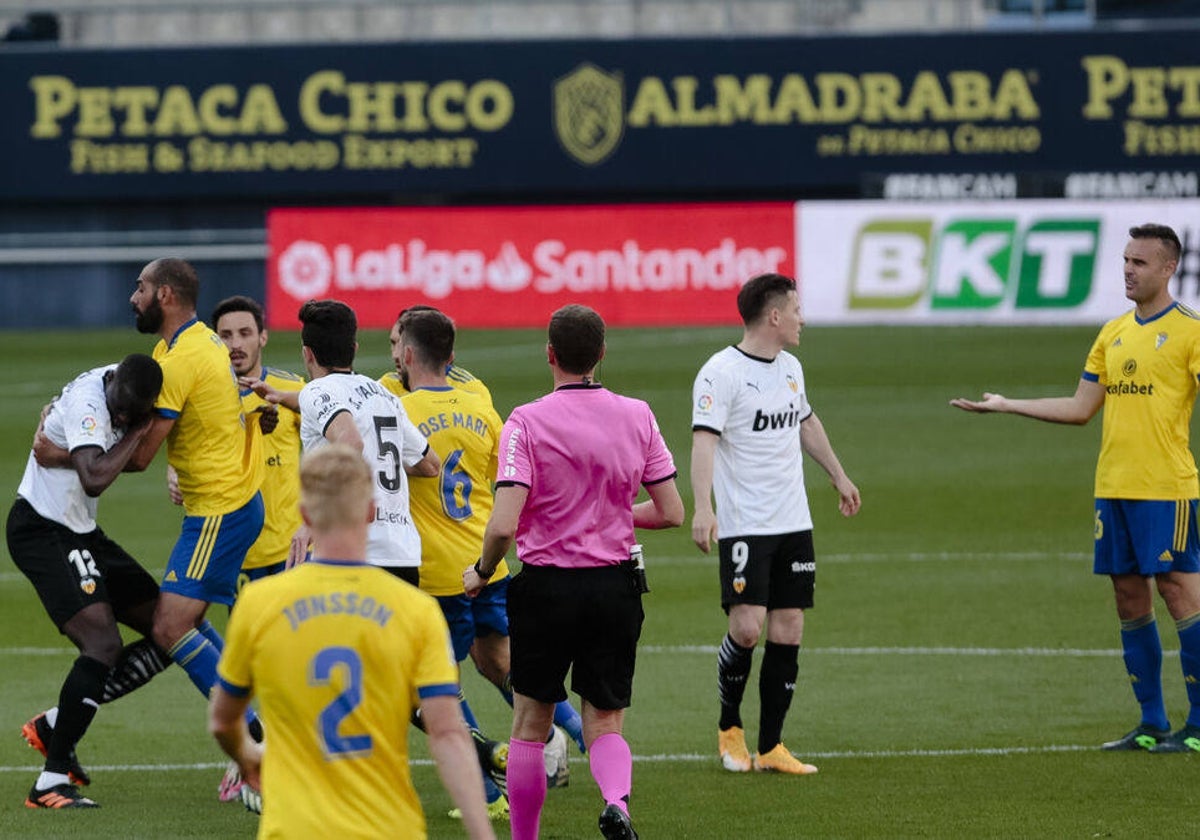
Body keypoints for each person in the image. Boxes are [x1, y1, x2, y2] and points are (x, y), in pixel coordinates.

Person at [952, 222, 1200, 753]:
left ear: (1168, 268)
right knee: (1128, 597)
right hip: (1114, 487)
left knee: (1179, 594)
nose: (1128, 270)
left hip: (1167, 488)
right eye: (1126, 260)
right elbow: (1081, 408)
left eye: (1140, 262)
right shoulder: (1112, 332)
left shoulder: (1190, 331)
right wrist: (1008, 405)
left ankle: (1199, 726)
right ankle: (1153, 725)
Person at [463, 304, 684, 840]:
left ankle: (524, 837)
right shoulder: (638, 414)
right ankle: (616, 805)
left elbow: (503, 525)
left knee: (530, 725)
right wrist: (611, 512)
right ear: (601, 354)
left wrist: (481, 570)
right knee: (605, 719)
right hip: (615, 585)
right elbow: (673, 512)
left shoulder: (526, 421)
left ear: (549, 354)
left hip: (547, 588)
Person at [208, 444, 495, 839]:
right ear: (371, 511)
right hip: (389, 828)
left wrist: (248, 756)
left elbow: (223, 720)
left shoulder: (260, 604)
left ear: (306, 516)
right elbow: (447, 733)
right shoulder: (415, 610)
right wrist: (482, 833)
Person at [395, 307, 583, 820]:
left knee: (435, 686)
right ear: (452, 356)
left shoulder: (396, 407)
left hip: (436, 573)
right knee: (497, 660)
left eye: (396, 344)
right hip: (487, 562)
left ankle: (488, 791)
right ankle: (578, 735)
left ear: (408, 354)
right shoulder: (482, 405)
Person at [691, 272, 861, 776]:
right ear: (774, 316)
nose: (803, 319)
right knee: (747, 628)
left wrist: (838, 474)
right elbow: (704, 442)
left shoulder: (791, 368)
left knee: (788, 627)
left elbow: (806, 422)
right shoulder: (720, 373)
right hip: (745, 524)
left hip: (793, 521)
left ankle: (772, 746)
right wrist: (703, 507)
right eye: (797, 309)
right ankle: (730, 730)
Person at [8, 354, 163, 808]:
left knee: (170, 628)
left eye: (128, 415)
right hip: (43, 528)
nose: (119, 418)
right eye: (118, 410)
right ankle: (49, 783)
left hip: (79, 530)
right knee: (102, 644)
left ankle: (56, 724)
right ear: (110, 383)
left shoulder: (130, 385)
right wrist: (137, 428)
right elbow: (95, 477)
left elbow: (124, 465)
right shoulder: (91, 403)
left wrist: (61, 454)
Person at [125, 258, 266, 725]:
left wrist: (71, 454)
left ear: (164, 295)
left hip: (219, 512)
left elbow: (142, 456)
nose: (133, 298)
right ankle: (253, 724)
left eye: (140, 288)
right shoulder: (196, 340)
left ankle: (253, 736)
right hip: (226, 505)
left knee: (170, 626)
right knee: (187, 621)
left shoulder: (182, 358)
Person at [208, 294, 305, 803]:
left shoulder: (291, 392)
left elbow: (326, 455)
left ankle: (276, 758)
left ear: (263, 336)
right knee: (246, 668)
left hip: (291, 553)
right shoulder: (209, 398)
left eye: (245, 333)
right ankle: (248, 758)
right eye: (225, 336)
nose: (236, 345)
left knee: (293, 662)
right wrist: (176, 475)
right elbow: (186, 455)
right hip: (236, 556)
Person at [294, 299, 439, 580]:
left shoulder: (315, 390)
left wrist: (311, 523)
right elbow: (430, 464)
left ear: (307, 353)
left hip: (354, 551)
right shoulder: (382, 394)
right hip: (402, 553)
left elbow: (351, 443)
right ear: (354, 350)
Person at [380, 304, 492, 403]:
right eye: (393, 343)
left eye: (403, 345)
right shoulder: (384, 387)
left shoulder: (471, 390)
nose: (396, 354)